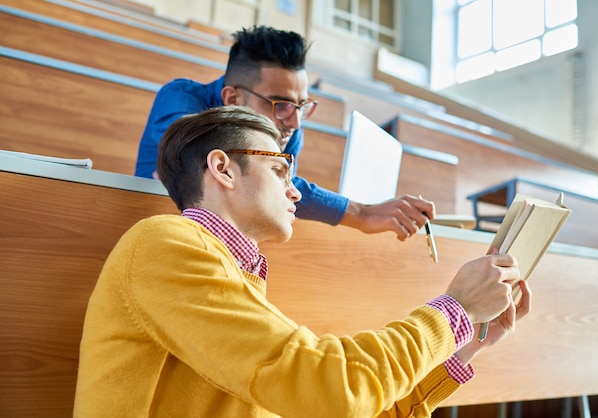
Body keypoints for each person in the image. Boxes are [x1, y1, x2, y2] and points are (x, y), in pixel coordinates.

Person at [75, 106, 532, 417]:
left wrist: (467, 340)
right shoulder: (164, 243)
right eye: (279, 170)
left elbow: (347, 402)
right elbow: (336, 389)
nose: (295, 191)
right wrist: (455, 310)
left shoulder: (234, 274)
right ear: (222, 168)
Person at [135, 25, 436, 241]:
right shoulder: (180, 97)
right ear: (232, 99)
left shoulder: (289, 130)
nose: (293, 123)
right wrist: (361, 213)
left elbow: (277, 196)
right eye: (280, 105)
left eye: (301, 105)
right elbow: (206, 160)